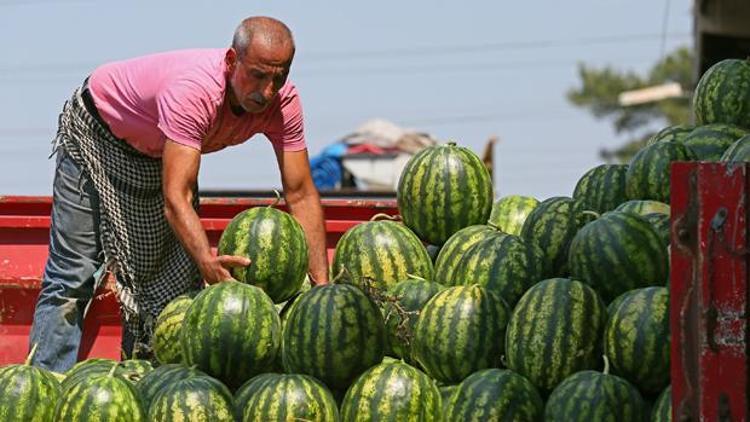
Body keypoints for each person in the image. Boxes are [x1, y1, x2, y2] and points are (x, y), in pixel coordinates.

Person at [28, 16, 329, 372]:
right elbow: (177, 198)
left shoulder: (283, 104)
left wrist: (322, 289)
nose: (266, 91)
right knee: (73, 275)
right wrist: (208, 262)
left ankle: (150, 382)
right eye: (258, 75)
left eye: (279, 77)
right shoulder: (195, 92)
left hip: (161, 151)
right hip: (97, 135)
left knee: (175, 285)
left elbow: (301, 193)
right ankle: (43, 384)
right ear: (232, 61)